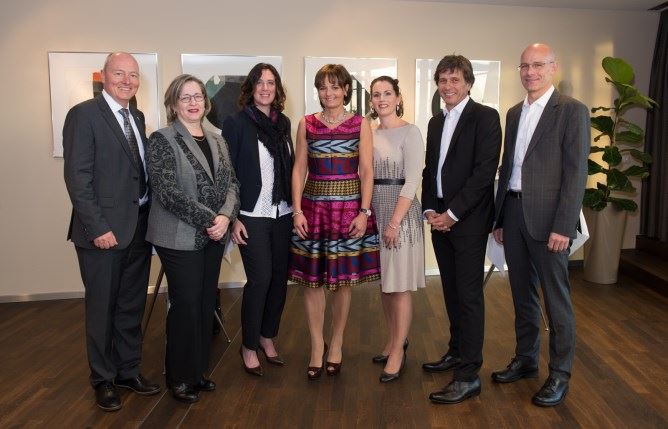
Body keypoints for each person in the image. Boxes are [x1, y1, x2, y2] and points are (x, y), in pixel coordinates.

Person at [491, 43, 589, 407]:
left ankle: (560, 374)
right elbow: (508, 167)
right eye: (524, 66)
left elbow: (576, 173)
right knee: (522, 294)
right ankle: (526, 359)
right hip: (514, 213)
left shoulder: (572, 111)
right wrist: (501, 217)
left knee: (556, 300)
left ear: (552, 68)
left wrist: (564, 225)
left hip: (551, 222)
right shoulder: (514, 112)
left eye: (537, 65)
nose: (530, 72)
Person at [63, 52, 160, 411]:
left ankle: (127, 371)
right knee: (102, 309)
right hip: (102, 233)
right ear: (103, 76)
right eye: (119, 73)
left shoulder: (137, 116)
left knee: (131, 305)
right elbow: (78, 178)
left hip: (138, 228)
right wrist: (98, 227)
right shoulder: (84, 115)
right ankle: (103, 380)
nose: (127, 81)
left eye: (133, 75)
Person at [145, 74, 239, 403]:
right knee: (185, 305)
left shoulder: (218, 140)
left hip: (214, 235)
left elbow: (232, 184)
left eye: (198, 96)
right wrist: (212, 220)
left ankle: (198, 372)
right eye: (185, 97)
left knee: (204, 303)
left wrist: (225, 217)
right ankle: (179, 378)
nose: (193, 102)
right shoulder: (162, 139)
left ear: (206, 101)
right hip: (177, 236)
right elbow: (168, 192)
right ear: (174, 104)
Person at [290, 64, 380, 380]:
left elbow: (366, 170)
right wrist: (297, 210)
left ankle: (337, 341)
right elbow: (299, 168)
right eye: (323, 87)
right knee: (311, 281)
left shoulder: (360, 123)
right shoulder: (306, 123)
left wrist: (364, 212)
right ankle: (317, 345)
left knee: (342, 281)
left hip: (348, 209)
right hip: (313, 209)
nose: (328, 93)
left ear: (345, 90)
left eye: (334, 86)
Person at [421, 55, 502, 404]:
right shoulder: (436, 122)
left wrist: (452, 214)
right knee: (451, 292)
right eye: (443, 80)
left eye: (455, 79)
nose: (448, 86)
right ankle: (456, 352)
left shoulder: (485, 117)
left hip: (467, 221)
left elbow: (484, 173)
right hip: (439, 218)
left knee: (468, 297)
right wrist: (430, 209)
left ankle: (468, 376)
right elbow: (430, 170)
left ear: (468, 83)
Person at [222, 63, 294, 376]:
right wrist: (233, 217)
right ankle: (249, 345)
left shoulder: (283, 123)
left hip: (283, 213)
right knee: (261, 278)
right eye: (260, 82)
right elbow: (227, 174)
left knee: (278, 279)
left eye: (271, 82)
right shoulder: (236, 122)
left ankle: (267, 336)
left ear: (277, 88)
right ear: (251, 88)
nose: (265, 88)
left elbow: (290, 166)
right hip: (251, 215)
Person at [368, 76, 425, 383]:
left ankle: (398, 354)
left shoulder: (411, 132)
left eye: (387, 93)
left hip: (400, 215)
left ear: (398, 97)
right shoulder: (369, 132)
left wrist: (394, 222)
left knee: (399, 285)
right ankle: (394, 341)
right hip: (376, 212)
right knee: (386, 284)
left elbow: (413, 181)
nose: (382, 99)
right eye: (376, 94)